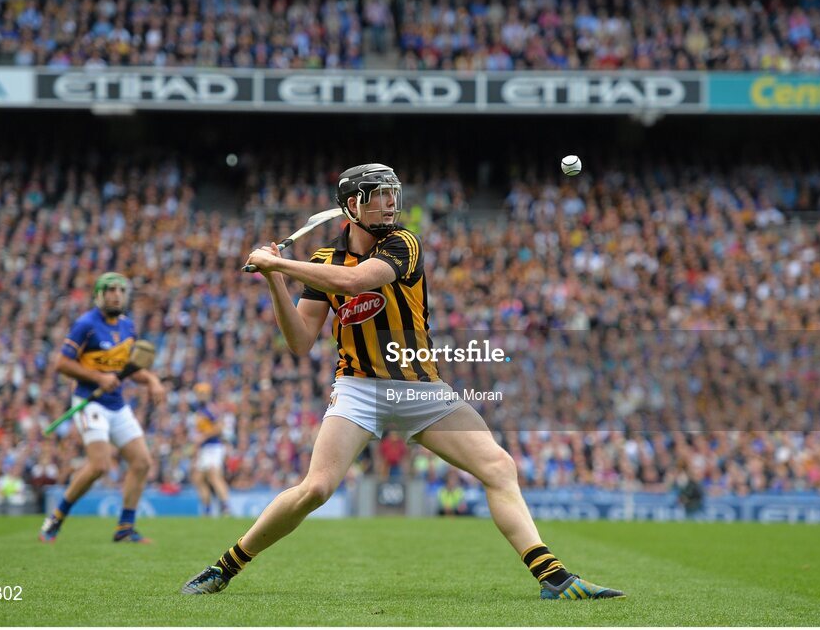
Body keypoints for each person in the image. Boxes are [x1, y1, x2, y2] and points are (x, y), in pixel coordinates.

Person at [181, 164, 625, 601]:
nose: (392, 203)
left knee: (498, 466)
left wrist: (284, 263)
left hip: (421, 388)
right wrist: (275, 277)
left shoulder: (403, 242)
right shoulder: (322, 261)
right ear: (353, 205)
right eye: (380, 195)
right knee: (315, 489)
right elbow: (299, 341)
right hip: (358, 389)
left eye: (394, 193)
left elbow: (356, 282)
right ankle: (224, 567)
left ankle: (554, 578)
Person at [39, 272, 165, 543]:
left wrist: (152, 380)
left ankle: (125, 528)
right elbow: (61, 363)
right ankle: (55, 518)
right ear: (98, 294)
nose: (116, 294)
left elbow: (129, 370)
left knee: (142, 462)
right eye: (109, 290)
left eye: (120, 289)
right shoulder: (86, 324)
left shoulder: (128, 327)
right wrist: (98, 377)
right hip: (89, 402)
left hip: (117, 404)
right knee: (99, 465)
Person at [190, 382, 231, 517]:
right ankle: (207, 509)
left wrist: (203, 437)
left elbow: (219, 427)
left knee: (214, 475)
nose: (200, 396)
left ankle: (225, 506)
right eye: (199, 393)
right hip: (204, 448)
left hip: (213, 446)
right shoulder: (199, 410)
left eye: (203, 393)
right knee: (198, 478)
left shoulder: (210, 409)